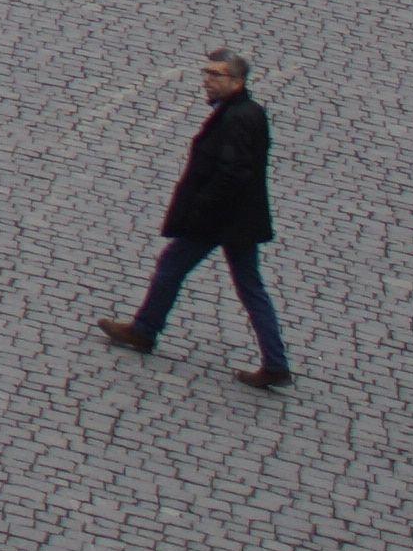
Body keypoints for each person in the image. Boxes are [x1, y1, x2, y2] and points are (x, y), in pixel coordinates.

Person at [97, 49, 290, 386]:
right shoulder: (244, 112)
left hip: (218, 220)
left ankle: (144, 329)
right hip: (238, 221)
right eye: (207, 73)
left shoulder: (236, 119)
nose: (208, 81)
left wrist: (201, 209)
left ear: (237, 81)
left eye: (216, 75)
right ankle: (275, 363)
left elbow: (232, 173)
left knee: (172, 265)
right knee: (250, 286)